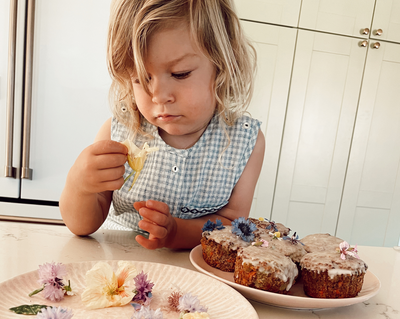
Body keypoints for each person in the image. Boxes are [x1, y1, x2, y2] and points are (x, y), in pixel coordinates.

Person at [59, 0, 265, 250]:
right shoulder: (120, 131)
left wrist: (177, 232)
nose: (158, 95)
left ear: (224, 63)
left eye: (180, 74)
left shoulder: (244, 142)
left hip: (195, 278)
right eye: (141, 78)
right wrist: (79, 186)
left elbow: (232, 224)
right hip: (119, 264)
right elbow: (82, 227)